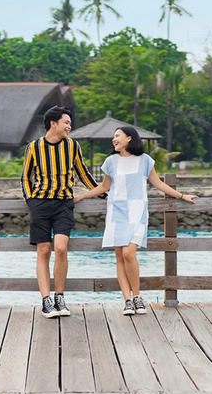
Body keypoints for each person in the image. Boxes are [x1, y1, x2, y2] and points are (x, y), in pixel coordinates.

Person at [75, 126, 197, 316]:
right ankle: (127, 300)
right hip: (116, 213)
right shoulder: (110, 162)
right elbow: (104, 187)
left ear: (129, 138)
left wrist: (181, 196)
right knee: (119, 257)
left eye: (117, 136)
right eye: (113, 136)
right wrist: (81, 197)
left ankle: (138, 296)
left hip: (138, 212)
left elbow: (158, 184)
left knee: (129, 253)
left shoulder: (145, 160)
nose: (114, 139)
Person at [21, 105, 102, 318]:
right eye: (66, 122)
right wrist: (31, 201)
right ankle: (46, 300)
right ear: (53, 123)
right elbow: (26, 178)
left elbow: (83, 172)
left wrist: (102, 193)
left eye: (70, 123)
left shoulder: (72, 146)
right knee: (44, 251)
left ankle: (60, 297)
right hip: (40, 203)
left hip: (64, 204)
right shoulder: (34, 147)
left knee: (61, 248)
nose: (69, 126)